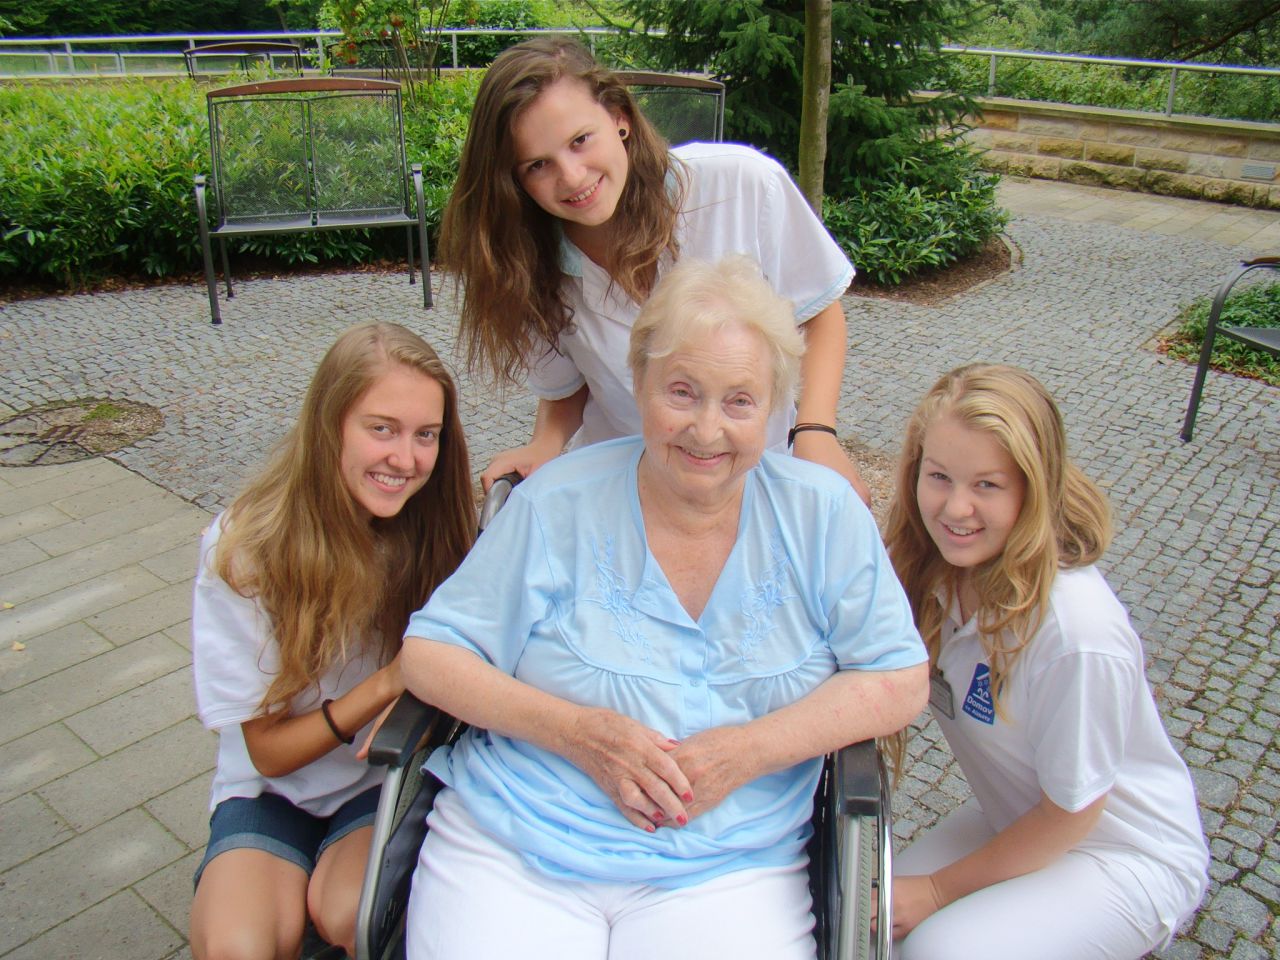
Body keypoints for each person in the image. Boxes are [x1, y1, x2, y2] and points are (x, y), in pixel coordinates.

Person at [399, 256, 928, 960]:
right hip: (519, 838)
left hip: (730, 865)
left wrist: (749, 751)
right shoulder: (557, 502)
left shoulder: (823, 515)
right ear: (639, 383)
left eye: (739, 402)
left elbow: (897, 677)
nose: (706, 430)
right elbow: (432, 655)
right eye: (682, 392)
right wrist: (576, 732)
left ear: (775, 408)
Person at [440, 36, 871, 503]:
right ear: (513, 181)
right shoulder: (525, 262)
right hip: (629, 492)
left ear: (619, 118)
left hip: (753, 479)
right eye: (538, 165)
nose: (572, 177)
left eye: (580, 141)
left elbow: (819, 312)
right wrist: (545, 444)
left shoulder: (741, 185)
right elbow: (570, 383)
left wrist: (815, 432)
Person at [882, 364, 1209, 960]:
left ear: (1034, 489)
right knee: (869, 918)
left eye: (988, 485)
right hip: (1017, 818)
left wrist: (937, 891)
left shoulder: (1076, 632)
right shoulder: (934, 569)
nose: (956, 507)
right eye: (939, 476)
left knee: (942, 950)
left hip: (1121, 854)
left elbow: (1073, 812)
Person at [188, 322, 475, 960]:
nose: (406, 459)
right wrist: (388, 682)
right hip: (271, 789)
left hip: (377, 778)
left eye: (426, 434)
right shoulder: (243, 550)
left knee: (349, 913)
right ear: (329, 425)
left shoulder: (435, 529)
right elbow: (268, 754)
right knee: (236, 946)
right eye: (382, 429)